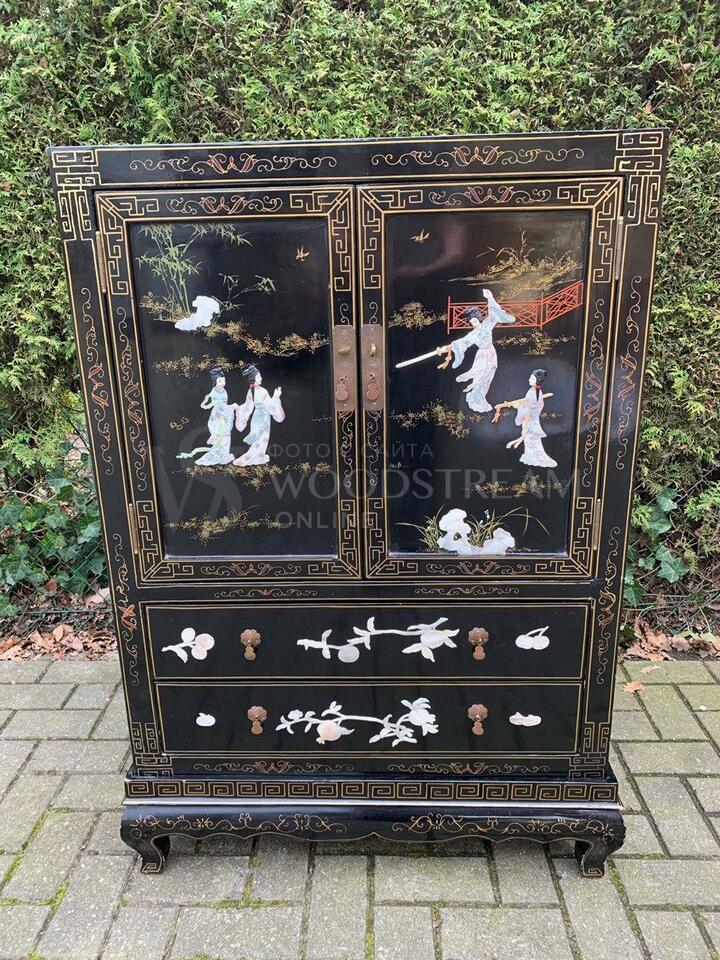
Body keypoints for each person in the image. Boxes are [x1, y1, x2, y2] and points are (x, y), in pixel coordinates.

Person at [437, 288, 516, 412]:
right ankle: (476, 398)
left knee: (488, 377)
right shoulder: (472, 335)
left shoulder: (486, 325)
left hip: (491, 352)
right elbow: (460, 343)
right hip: (482, 356)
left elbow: (493, 314)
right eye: (471, 322)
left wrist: (490, 298)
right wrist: (443, 349)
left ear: (479, 319)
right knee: (481, 377)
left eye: (474, 320)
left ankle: (481, 397)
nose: (473, 323)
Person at [494, 369, 557, 468]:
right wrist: (512, 404)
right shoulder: (534, 391)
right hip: (530, 418)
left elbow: (528, 406)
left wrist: (517, 406)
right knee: (530, 440)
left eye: (531, 378)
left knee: (530, 438)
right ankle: (531, 456)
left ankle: (535, 458)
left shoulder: (534, 393)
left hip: (530, 419)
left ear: (537, 381)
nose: (529, 380)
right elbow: (526, 402)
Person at [177, 367, 237, 465]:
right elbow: (219, 407)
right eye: (220, 381)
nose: (222, 383)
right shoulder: (215, 391)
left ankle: (224, 456)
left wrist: (229, 409)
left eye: (223, 380)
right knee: (221, 436)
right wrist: (231, 407)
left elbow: (223, 405)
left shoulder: (223, 390)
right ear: (215, 381)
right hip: (219, 417)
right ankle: (217, 455)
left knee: (226, 437)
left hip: (225, 415)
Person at [233, 365, 285, 466]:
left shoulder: (251, 391)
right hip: (264, 419)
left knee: (258, 441)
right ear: (254, 378)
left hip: (256, 418)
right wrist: (276, 397)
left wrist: (239, 410)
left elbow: (247, 407)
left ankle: (256, 457)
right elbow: (271, 407)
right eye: (258, 377)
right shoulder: (262, 391)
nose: (261, 378)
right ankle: (256, 458)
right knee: (262, 440)